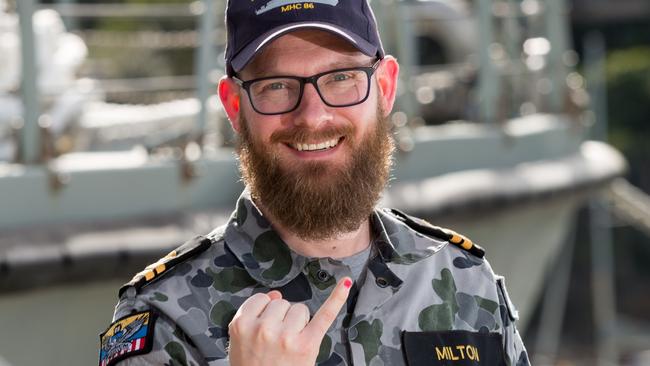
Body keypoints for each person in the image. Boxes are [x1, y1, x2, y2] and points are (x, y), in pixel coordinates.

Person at [99, 0, 530, 365]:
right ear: (234, 106)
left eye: (341, 78)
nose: (313, 116)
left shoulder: (465, 281)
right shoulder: (163, 319)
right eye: (277, 86)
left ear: (385, 87)